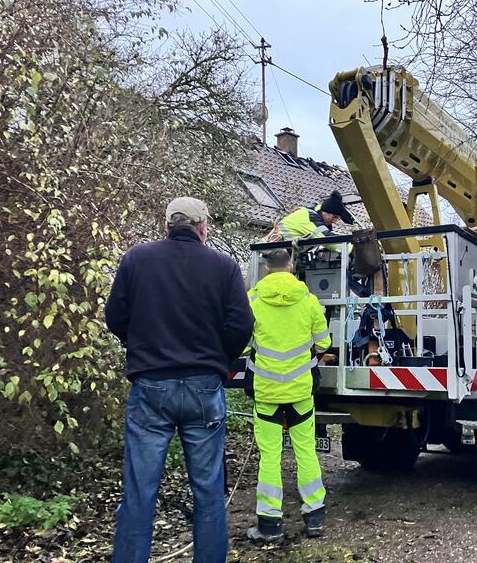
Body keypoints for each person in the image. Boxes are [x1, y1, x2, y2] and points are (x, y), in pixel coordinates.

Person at [105, 196, 254, 563]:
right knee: (208, 493)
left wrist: (142, 346)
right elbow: (241, 325)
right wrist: (217, 360)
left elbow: (115, 317)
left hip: (151, 387)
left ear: (167, 225)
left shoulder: (136, 259)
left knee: (139, 494)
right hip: (204, 387)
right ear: (203, 227)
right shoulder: (224, 265)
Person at [244, 248, 331, 543]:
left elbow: (243, 345)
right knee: (305, 450)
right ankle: (314, 517)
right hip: (300, 391)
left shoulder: (253, 300)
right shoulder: (308, 300)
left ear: (267, 269)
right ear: (292, 267)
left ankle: (269, 524)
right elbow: (323, 343)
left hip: (267, 392)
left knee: (270, 455)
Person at [266, 189, 354, 251]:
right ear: (325, 212)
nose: (335, 221)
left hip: (276, 254)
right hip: (268, 254)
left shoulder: (312, 214)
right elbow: (329, 240)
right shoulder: (310, 218)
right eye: (334, 217)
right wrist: (354, 249)